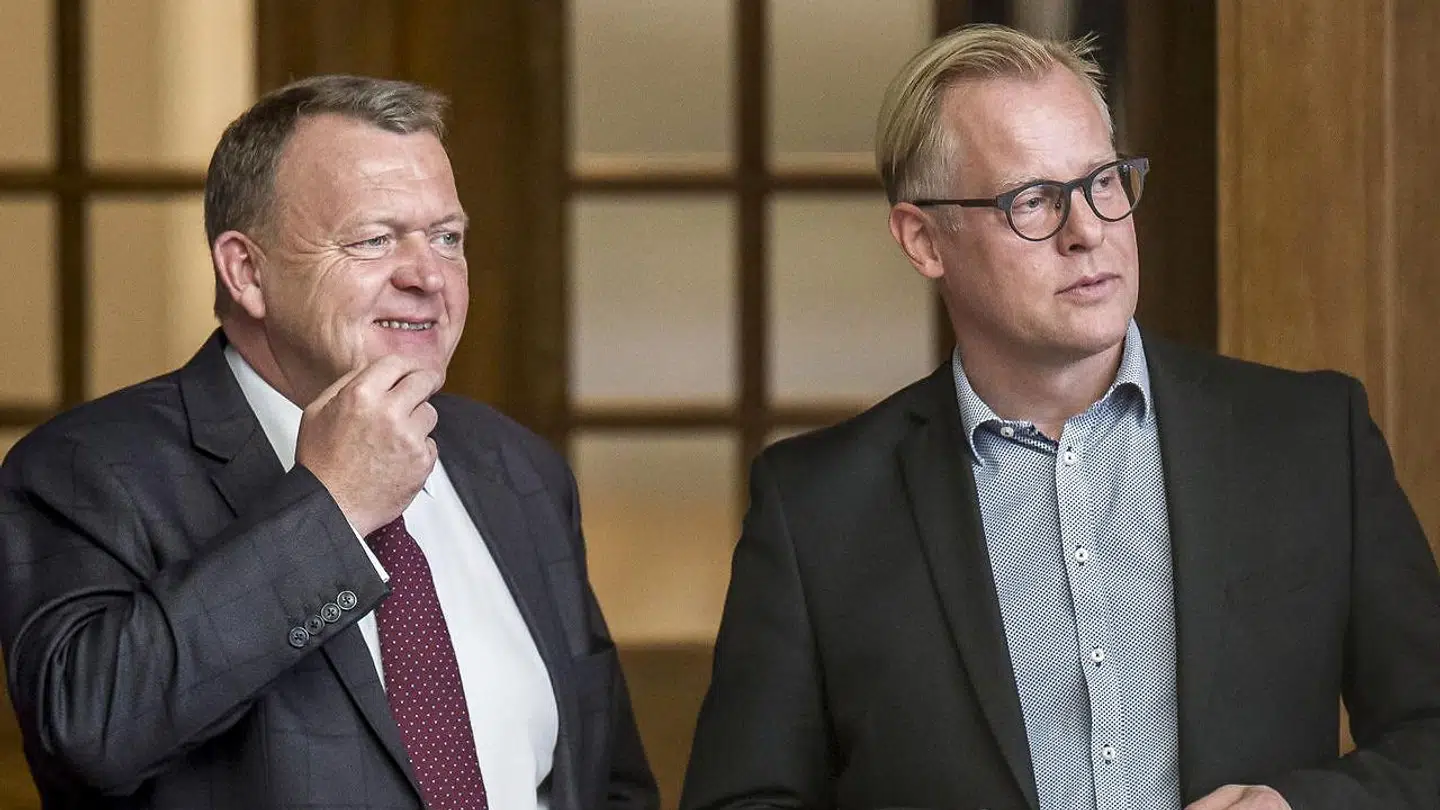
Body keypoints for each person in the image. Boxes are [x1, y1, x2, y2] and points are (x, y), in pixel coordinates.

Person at [680, 24, 1440, 810]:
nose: (1088, 232)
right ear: (923, 240)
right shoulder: (815, 509)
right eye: (1032, 201)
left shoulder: (1309, 439)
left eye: (1103, 182)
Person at [0, 75, 657, 810]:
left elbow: (606, 779)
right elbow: (88, 734)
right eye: (374, 240)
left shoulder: (517, 467)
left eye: (447, 238)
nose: (427, 276)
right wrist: (333, 506)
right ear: (247, 272)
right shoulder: (86, 470)